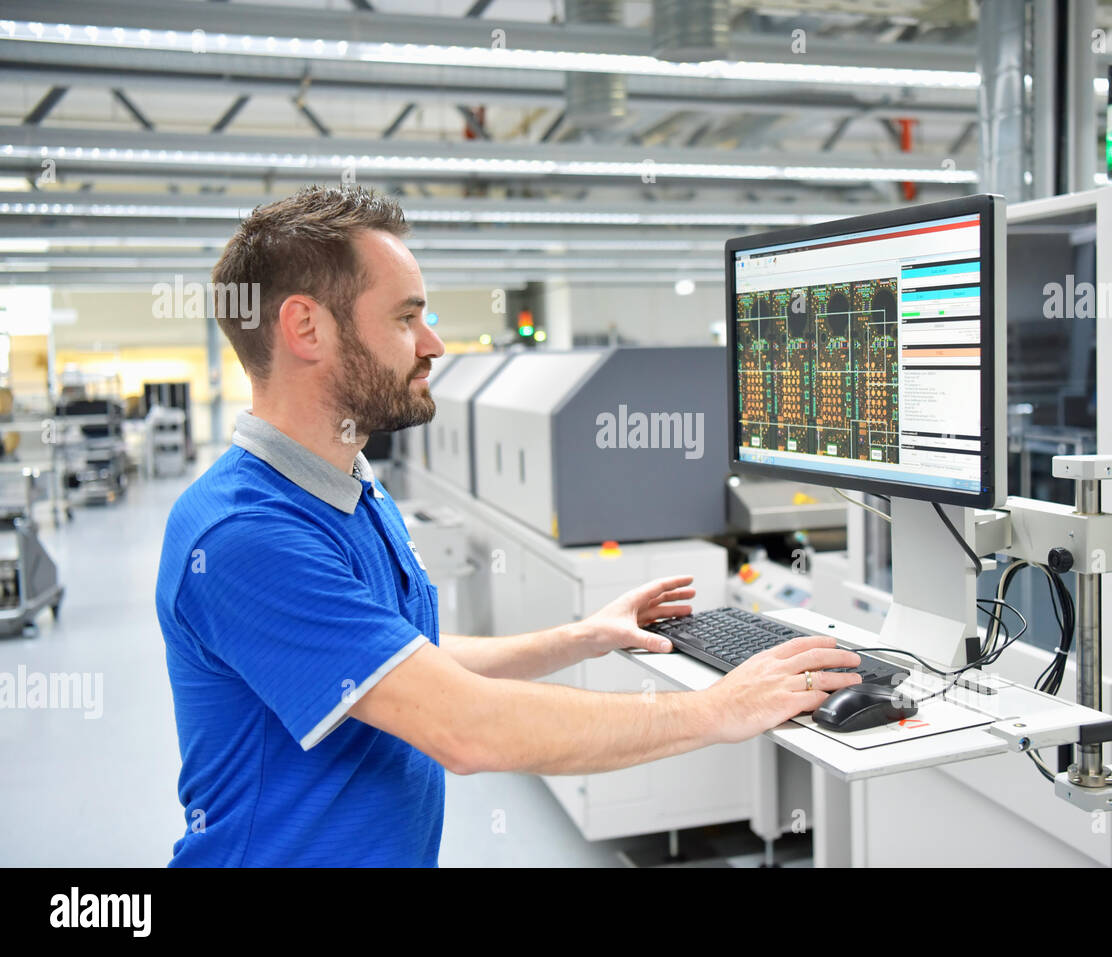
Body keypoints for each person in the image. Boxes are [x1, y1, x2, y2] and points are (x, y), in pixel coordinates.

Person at [154, 186, 862, 867]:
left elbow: (408, 661)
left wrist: (581, 636)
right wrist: (717, 710)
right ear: (306, 327)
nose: (433, 343)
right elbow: (465, 726)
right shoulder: (244, 536)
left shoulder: (349, 485)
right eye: (406, 318)